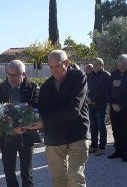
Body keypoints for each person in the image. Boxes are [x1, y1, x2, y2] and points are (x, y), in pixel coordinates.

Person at [29, 50, 90, 187]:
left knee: (75, 177)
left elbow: (74, 109)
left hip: (77, 134)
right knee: (58, 180)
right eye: (51, 67)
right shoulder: (46, 86)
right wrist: (24, 122)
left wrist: (45, 121)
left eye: (57, 66)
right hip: (55, 138)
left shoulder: (78, 77)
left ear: (67, 63)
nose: (54, 70)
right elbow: (42, 112)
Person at [0, 60, 40, 187]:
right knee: (9, 171)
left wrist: (24, 125)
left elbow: (36, 109)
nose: (11, 78)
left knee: (27, 172)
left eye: (15, 75)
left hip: (27, 135)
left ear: (23, 74)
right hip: (7, 137)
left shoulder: (32, 88)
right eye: (9, 74)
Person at [87, 58, 111, 156]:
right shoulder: (90, 76)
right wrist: (88, 99)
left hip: (101, 105)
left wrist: (94, 100)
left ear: (102, 65)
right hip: (91, 105)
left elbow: (105, 91)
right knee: (93, 126)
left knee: (101, 125)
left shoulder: (106, 76)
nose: (95, 66)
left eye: (97, 64)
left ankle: (102, 147)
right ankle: (94, 145)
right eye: (94, 64)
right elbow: (86, 89)